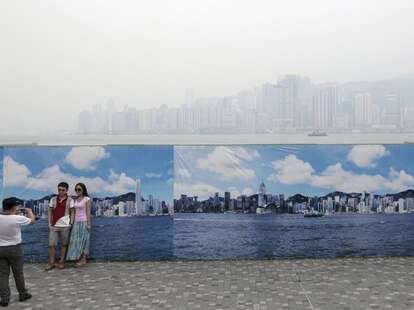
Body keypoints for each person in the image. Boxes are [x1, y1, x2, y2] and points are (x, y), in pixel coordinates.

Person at [0, 197, 36, 307]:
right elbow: (32, 221)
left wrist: (12, 212)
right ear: (13, 207)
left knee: (2, 275)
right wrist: (29, 211)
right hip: (15, 249)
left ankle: (5, 298)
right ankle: (23, 294)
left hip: (1, 249)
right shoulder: (18, 218)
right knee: (18, 273)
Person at [46, 182, 75, 271]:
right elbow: (50, 211)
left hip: (65, 225)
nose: (61, 191)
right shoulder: (53, 199)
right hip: (54, 225)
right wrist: (49, 223)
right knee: (51, 245)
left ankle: (61, 262)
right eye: (59, 190)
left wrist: (71, 223)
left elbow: (72, 212)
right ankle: (51, 263)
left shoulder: (70, 200)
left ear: (67, 190)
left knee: (64, 244)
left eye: (63, 190)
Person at [66, 183, 91, 267]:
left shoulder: (87, 199)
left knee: (84, 241)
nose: (77, 191)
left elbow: (88, 212)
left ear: (83, 190)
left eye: (79, 189)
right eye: (76, 189)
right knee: (76, 241)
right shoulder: (74, 200)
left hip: (84, 222)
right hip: (76, 223)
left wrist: (88, 224)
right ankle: (78, 257)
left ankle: (83, 259)